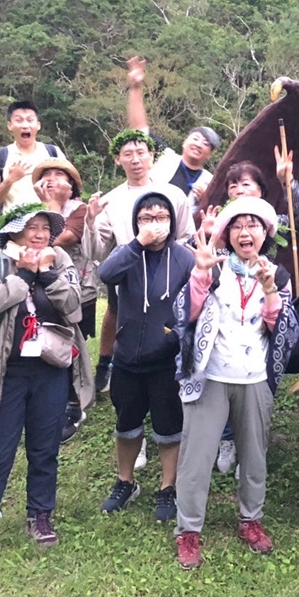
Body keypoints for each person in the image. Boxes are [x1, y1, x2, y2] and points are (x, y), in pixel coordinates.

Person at [0, 204, 93, 569]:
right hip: (8, 372)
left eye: (44, 227)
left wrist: (46, 272)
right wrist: (23, 274)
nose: (38, 233)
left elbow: (75, 307)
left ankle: (40, 513)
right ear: (13, 232)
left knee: (44, 448)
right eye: (30, 226)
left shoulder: (60, 258)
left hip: (50, 370)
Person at [172, 197, 298, 569]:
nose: (246, 232)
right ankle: (189, 531)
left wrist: (272, 289)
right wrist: (199, 275)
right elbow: (184, 316)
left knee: (254, 453)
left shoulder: (278, 273)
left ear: (265, 234)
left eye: (254, 225)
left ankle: (251, 520)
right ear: (227, 233)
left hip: (255, 376)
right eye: (239, 225)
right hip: (211, 375)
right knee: (196, 456)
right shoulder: (213, 267)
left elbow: (285, 332)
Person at [84, 128, 191, 467]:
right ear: (118, 160)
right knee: (126, 336)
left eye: (141, 152)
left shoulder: (172, 194)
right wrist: (90, 221)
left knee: (164, 366)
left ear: (151, 156)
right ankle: (135, 444)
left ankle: (168, 467)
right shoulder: (112, 199)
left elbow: (186, 237)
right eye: (127, 153)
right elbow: (98, 250)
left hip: (167, 281)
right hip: (127, 277)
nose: (135, 159)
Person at [202, 156, 299, 475]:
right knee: (223, 374)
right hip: (229, 311)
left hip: (266, 304)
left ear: (261, 190)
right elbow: (202, 262)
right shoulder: (222, 224)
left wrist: (288, 181)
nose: (238, 189)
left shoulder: (273, 220)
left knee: (260, 376)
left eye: (245, 183)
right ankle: (226, 438)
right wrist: (210, 235)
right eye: (232, 185)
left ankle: (252, 440)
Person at [97, 192, 195, 522]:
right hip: (127, 357)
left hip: (166, 360)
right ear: (136, 222)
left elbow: (197, 304)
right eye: (146, 217)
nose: (154, 223)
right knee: (126, 424)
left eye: (161, 216)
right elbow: (106, 275)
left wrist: (175, 339)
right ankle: (126, 481)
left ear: (173, 220)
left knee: (169, 428)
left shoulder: (185, 258)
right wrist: (137, 243)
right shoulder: (127, 254)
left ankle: (168, 487)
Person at [32, 157, 98, 442]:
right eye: (47, 175)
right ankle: (48, 401)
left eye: (61, 175)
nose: (53, 179)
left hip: (77, 290)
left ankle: (74, 403)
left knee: (72, 348)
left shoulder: (79, 210)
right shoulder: (31, 212)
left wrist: (53, 207)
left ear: (72, 186)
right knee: (44, 343)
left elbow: (59, 240)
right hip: (40, 293)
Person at [127, 56, 219, 217]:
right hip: (145, 218)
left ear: (210, 154)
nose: (199, 144)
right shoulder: (165, 156)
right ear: (184, 142)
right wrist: (135, 88)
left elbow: (212, 216)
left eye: (206, 143)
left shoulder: (210, 182)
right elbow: (140, 129)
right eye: (195, 138)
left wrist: (207, 198)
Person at [0, 100, 65, 213]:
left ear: (38, 125)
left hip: (48, 225)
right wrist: (10, 180)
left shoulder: (53, 153)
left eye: (30, 120)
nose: (25, 125)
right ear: (10, 125)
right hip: (12, 226)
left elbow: (68, 189)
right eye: (19, 120)